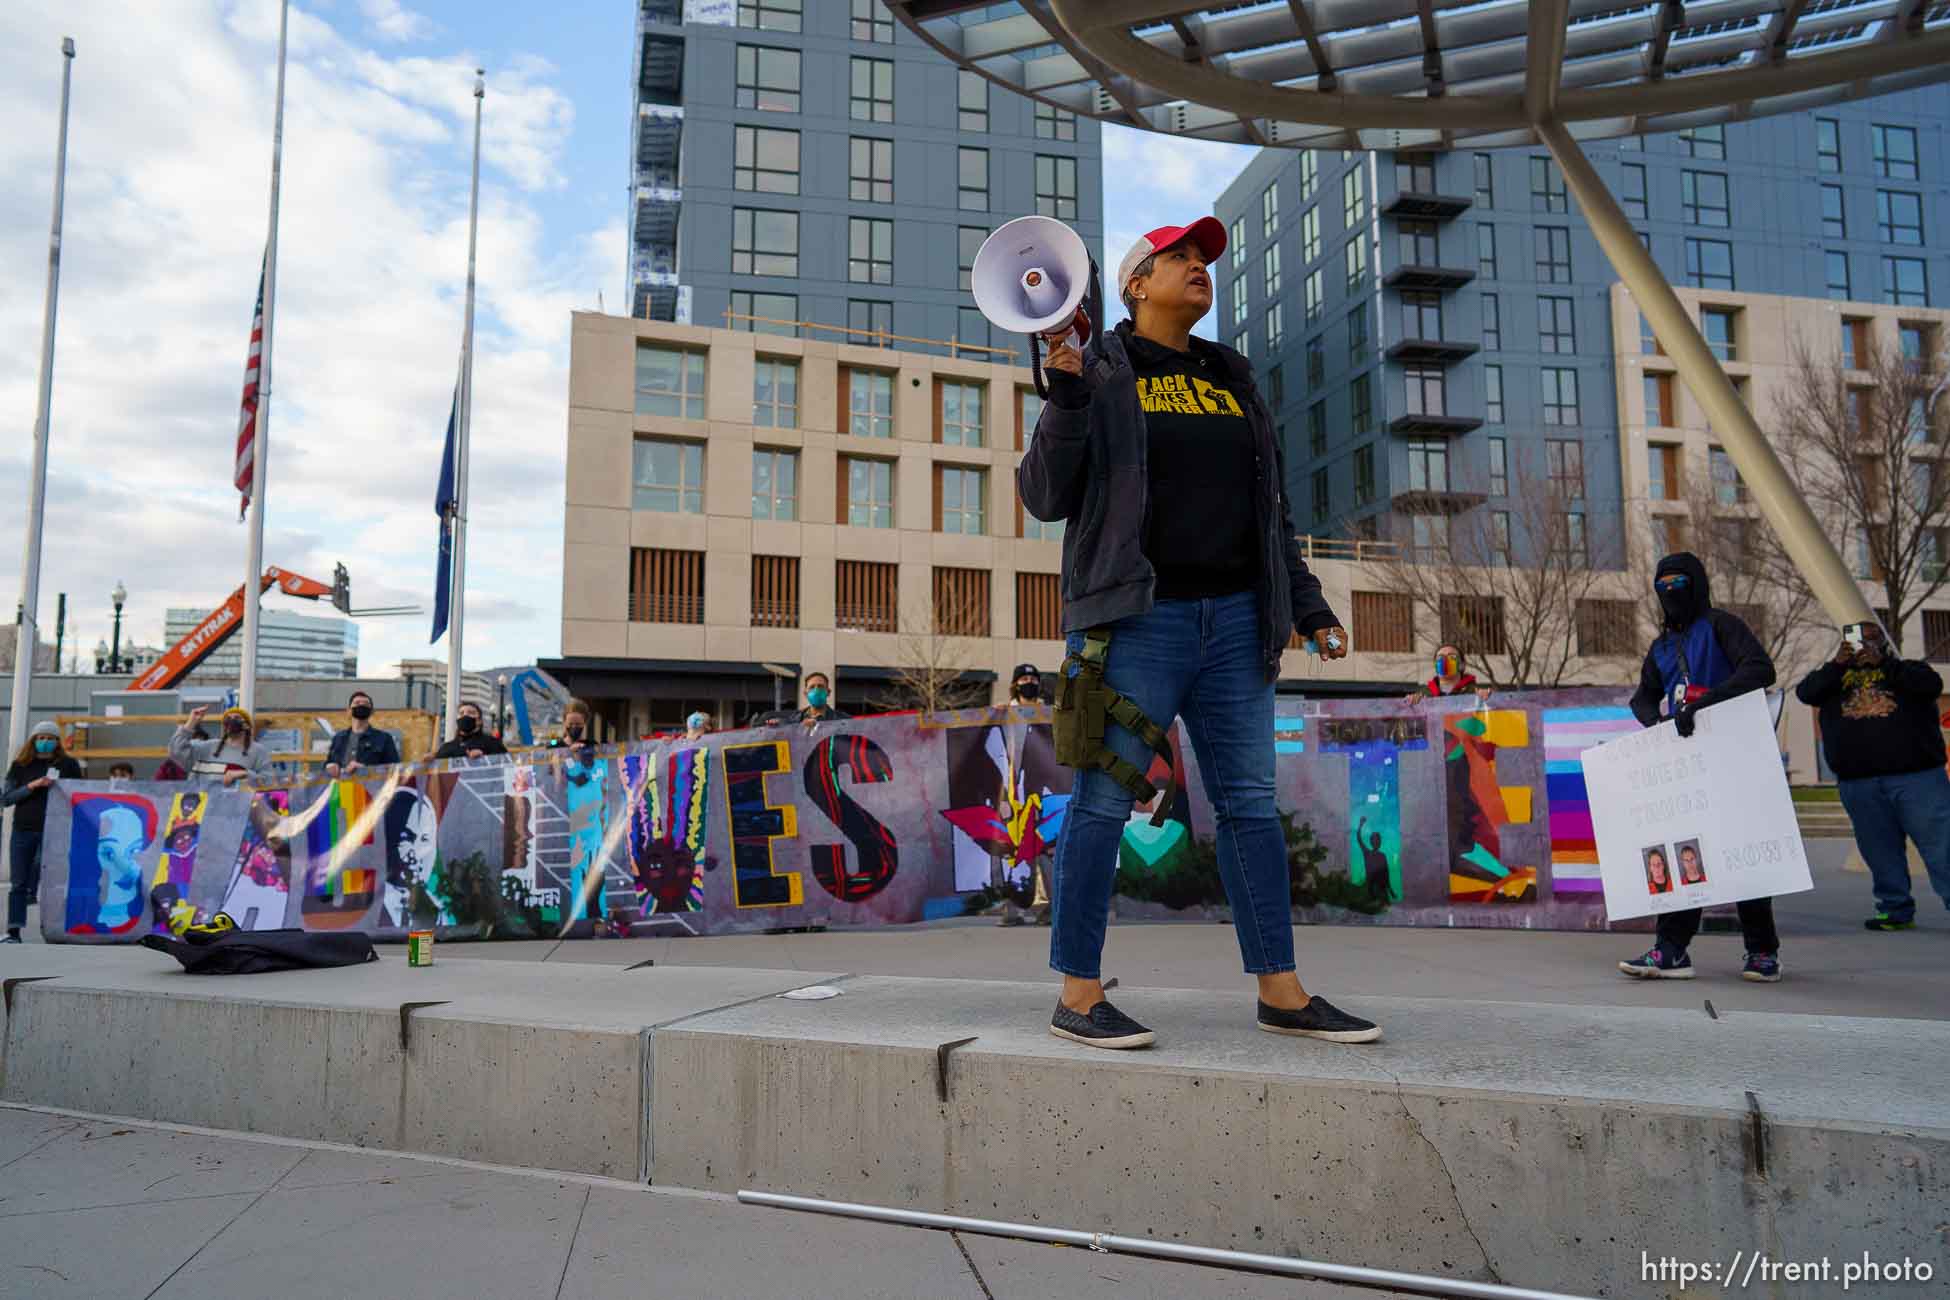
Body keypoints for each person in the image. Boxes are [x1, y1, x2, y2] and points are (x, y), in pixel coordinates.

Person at [1019, 215, 1377, 1049]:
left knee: (1251, 808)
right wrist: (1065, 391)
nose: (1197, 267)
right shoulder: (1099, 368)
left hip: (1238, 622)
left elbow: (1270, 513)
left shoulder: (1232, 376)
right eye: (1177, 257)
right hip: (1136, 621)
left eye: (1204, 258)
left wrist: (1307, 603)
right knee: (1103, 802)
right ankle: (1077, 992)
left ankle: (1281, 991)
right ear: (1136, 283)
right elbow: (1044, 494)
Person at [1618, 552, 1779, 982]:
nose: (1671, 593)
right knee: (1683, 853)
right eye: (1662, 586)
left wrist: (1704, 706)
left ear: (1696, 585)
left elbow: (1761, 669)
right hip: (1685, 760)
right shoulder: (1661, 646)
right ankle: (1671, 950)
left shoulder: (1722, 626)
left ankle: (1762, 952)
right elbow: (1643, 696)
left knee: (1743, 851)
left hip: (1732, 754)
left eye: (1678, 584)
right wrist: (1655, 723)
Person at [1795, 622, 1950, 931]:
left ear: (1885, 642)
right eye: (1857, 639)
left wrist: (1885, 665)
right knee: (1879, 851)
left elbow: (1930, 686)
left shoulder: (1907, 670)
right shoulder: (1833, 678)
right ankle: (1894, 908)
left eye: (1872, 638)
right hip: (1860, 781)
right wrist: (1838, 665)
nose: (1864, 645)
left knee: (1941, 846)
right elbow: (1805, 693)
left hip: (1917, 778)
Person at [2, 722, 84, 942]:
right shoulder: (20, 765)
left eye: (50, 738)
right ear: (33, 739)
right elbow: (7, 798)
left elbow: (80, 794)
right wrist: (33, 786)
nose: (45, 742)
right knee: (18, 882)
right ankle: (13, 930)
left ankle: (53, 928)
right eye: (41, 737)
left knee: (48, 876)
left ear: (57, 742)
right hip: (23, 830)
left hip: (54, 829)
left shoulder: (68, 765)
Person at [169, 706, 274, 788]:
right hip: (203, 807)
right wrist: (191, 722)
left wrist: (245, 774)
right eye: (228, 718)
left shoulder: (258, 751)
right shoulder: (206, 747)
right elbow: (176, 750)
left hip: (237, 810)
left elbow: (268, 782)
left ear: (246, 726)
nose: (231, 721)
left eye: (236, 718)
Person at [325, 690, 401, 778]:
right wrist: (329, 767)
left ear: (372, 711)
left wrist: (365, 770)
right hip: (341, 789)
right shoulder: (338, 738)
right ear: (349, 710)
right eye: (357, 703)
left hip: (369, 790)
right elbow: (327, 766)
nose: (361, 705)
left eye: (366, 704)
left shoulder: (384, 739)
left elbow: (395, 770)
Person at [1402, 645, 1494, 705]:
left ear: (1462, 665)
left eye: (1452, 657)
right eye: (1440, 657)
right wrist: (1410, 704)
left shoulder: (1476, 692)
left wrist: (1490, 700)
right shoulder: (1423, 695)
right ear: (1435, 664)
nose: (1445, 661)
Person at [432, 700, 509, 761]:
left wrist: (484, 758)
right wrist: (429, 762)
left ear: (479, 721)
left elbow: (505, 767)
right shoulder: (445, 748)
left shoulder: (493, 744)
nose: (465, 715)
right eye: (461, 713)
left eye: (471, 713)